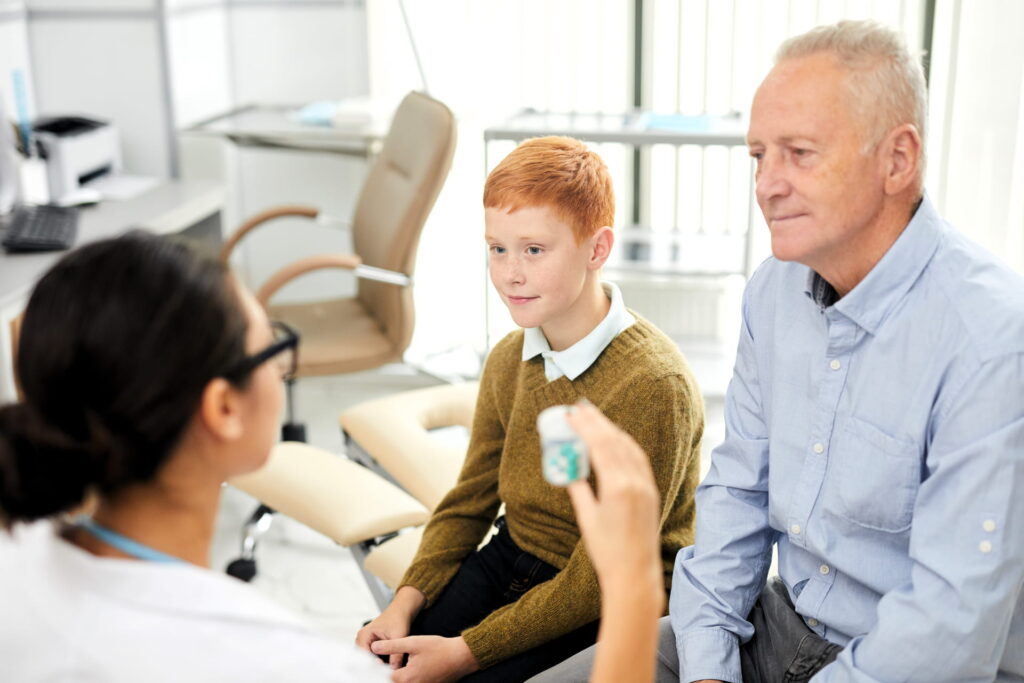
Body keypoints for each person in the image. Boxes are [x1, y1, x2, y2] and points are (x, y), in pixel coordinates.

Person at [532, 18, 1024, 683]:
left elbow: (948, 631)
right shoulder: (774, 292)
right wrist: (708, 667)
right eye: (759, 155)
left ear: (898, 160)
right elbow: (736, 493)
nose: (767, 183)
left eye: (798, 152)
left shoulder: (991, 337)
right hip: (776, 624)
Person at [357, 136, 705, 682]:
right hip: (513, 554)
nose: (509, 273)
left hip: (605, 591)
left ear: (596, 249)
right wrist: (403, 603)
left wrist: (466, 650)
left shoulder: (654, 386)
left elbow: (598, 578)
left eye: (534, 250)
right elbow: (468, 501)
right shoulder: (510, 356)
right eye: (497, 249)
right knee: (383, 667)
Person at [0, 232, 387, 682]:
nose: (279, 371)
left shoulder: (15, 556)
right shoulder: (295, 666)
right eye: (271, 348)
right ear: (223, 408)